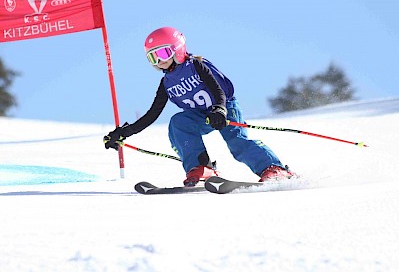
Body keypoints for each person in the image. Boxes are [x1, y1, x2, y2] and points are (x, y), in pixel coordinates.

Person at [104, 26, 294, 186]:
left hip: (224, 108)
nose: (159, 61)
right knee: (178, 123)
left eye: (163, 53)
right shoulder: (166, 83)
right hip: (200, 115)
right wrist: (124, 133)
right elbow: (152, 114)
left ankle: (273, 168)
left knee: (237, 143)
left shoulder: (196, 65)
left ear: (177, 49)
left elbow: (217, 89)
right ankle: (202, 167)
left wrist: (220, 109)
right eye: (153, 58)